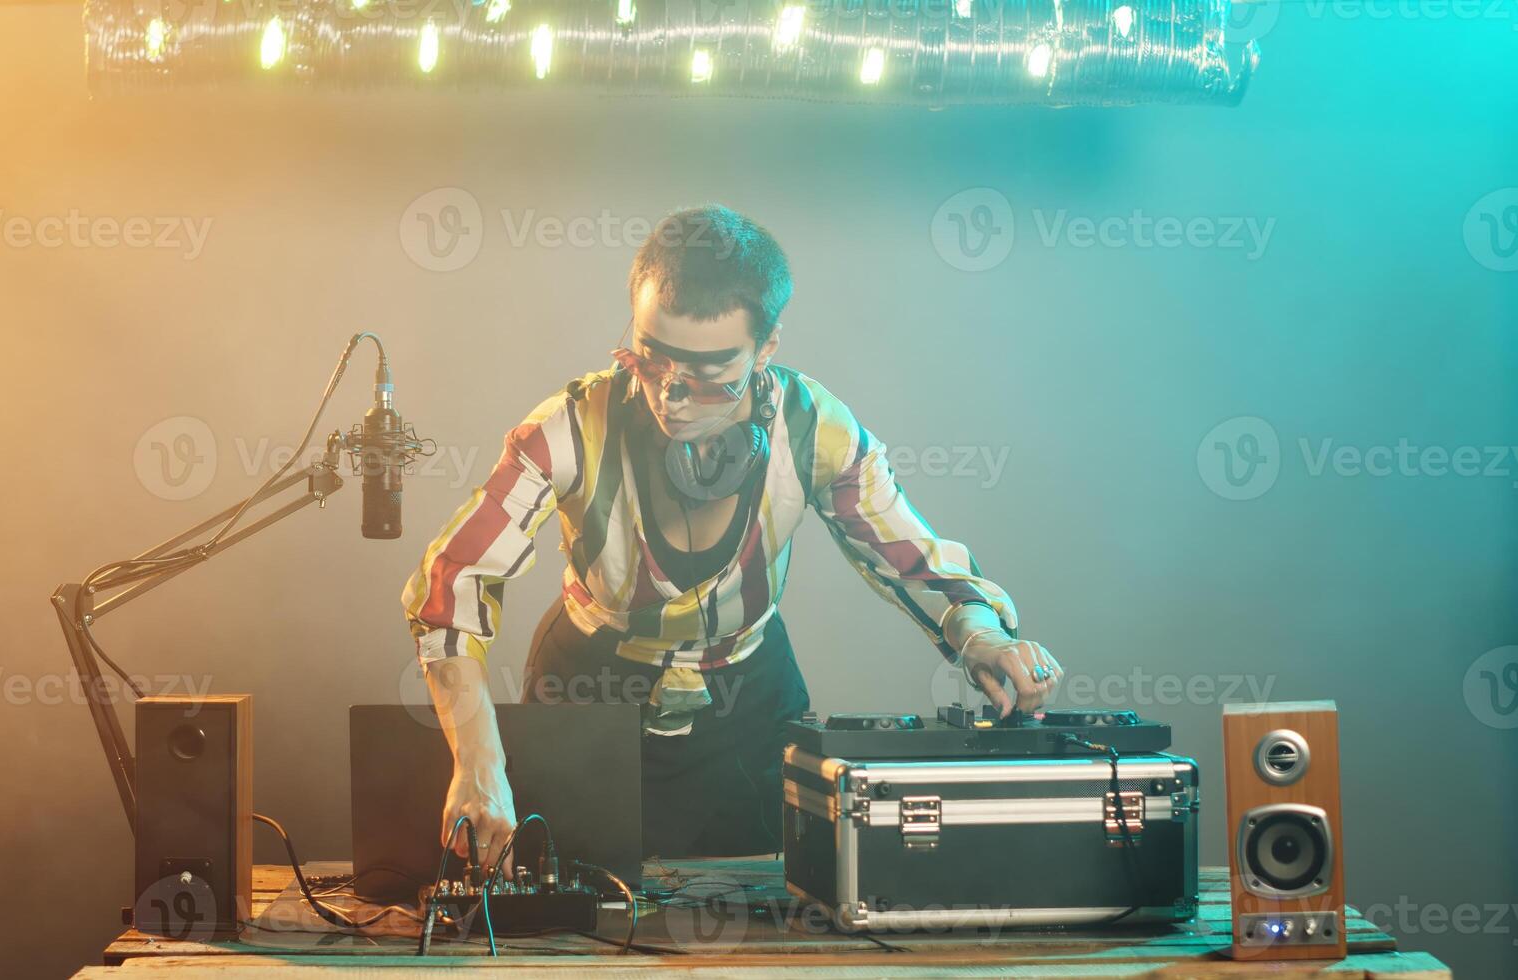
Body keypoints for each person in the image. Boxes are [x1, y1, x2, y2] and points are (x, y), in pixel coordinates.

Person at [400, 204, 1062, 875]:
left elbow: (914, 562)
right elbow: (452, 583)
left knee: (773, 916)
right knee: (564, 914)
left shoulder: (814, 430)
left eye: (710, 372)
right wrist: (479, 761)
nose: (672, 396)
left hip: (749, 705)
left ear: (766, 347)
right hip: (586, 697)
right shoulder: (568, 428)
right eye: (651, 358)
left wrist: (986, 638)